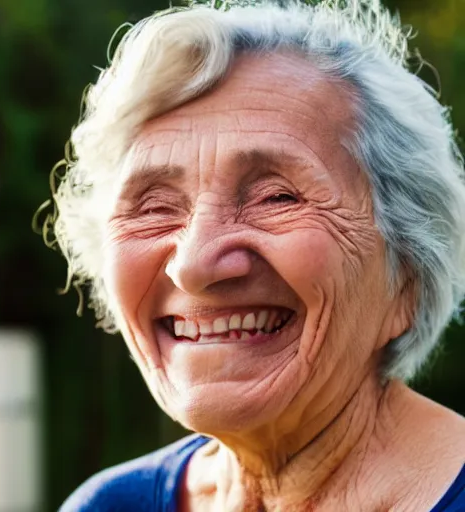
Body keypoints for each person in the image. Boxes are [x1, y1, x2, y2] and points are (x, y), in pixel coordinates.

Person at [40, 0, 465, 510]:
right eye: (154, 207)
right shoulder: (110, 505)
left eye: (276, 197)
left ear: (409, 274)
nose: (193, 264)